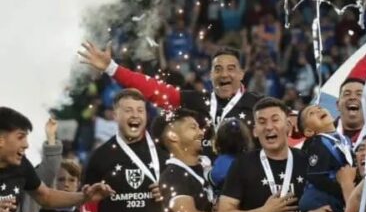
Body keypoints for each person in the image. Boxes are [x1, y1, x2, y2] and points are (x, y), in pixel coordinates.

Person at [78, 42, 261, 156]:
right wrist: (111, 68)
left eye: (231, 69)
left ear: (242, 74)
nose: (224, 74)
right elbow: (154, 89)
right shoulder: (195, 101)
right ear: (211, 75)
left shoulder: (258, 106)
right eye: (218, 69)